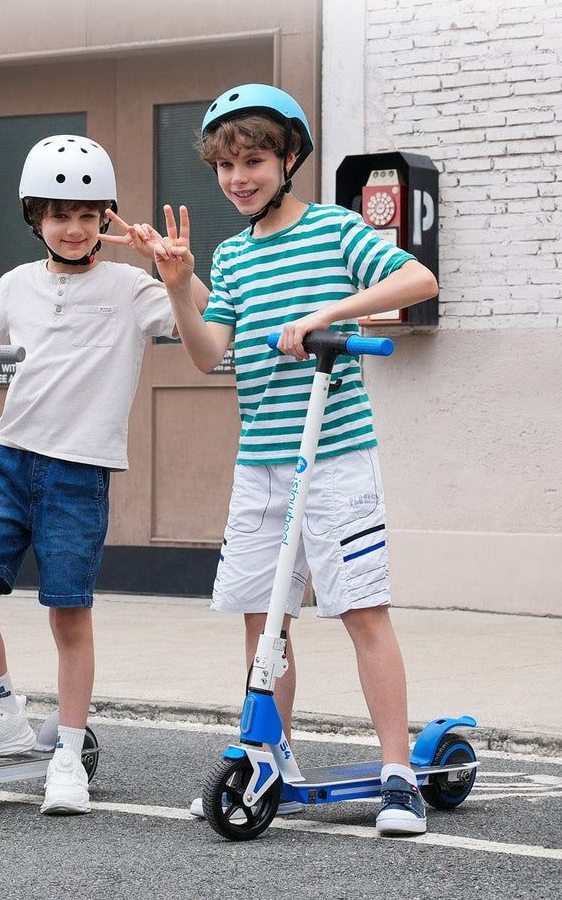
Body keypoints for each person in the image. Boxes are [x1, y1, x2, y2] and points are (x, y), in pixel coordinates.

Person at [0, 134, 207, 815]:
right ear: (34, 216)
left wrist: (173, 272)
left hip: (78, 474)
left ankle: (67, 754)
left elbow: (199, 321)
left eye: (88, 214)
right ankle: (3, 710)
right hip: (9, 460)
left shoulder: (130, 286)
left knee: (67, 616)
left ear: (106, 219)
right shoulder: (16, 283)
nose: (74, 226)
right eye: (58, 212)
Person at [150, 84, 439, 835]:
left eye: (254, 161)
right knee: (263, 621)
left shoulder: (335, 229)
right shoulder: (231, 256)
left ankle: (399, 773)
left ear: (288, 161)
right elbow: (211, 353)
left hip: (337, 458)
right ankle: (269, 759)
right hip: (263, 463)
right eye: (226, 166)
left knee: (362, 614)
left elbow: (417, 280)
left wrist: (326, 313)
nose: (239, 177)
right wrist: (181, 290)